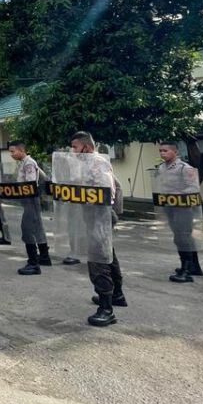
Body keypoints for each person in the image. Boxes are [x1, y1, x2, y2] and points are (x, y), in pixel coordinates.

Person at [69, 132, 125, 327]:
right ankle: (117, 294)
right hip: (92, 214)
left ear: (86, 147)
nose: (72, 151)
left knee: (97, 260)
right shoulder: (85, 164)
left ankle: (106, 309)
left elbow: (104, 192)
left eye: (75, 147)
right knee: (107, 254)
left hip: (100, 214)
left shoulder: (97, 162)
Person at [155, 142, 203, 283]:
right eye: (160, 151)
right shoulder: (161, 168)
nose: (162, 153)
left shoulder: (184, 168)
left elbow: (193, 188)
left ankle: (186, 269)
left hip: (183, 208)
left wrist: (178, 195)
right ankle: (193, 265)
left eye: (165, 150)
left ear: (175, 152)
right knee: (180, 237)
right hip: (169, 207)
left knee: (183, 237)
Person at [7, 141, 51, 275]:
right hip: (29, 200)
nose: (11, 155)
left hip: (31, 199)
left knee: (27, 229)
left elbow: (30, 184)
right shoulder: (24, 163)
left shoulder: (29, 163)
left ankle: (33, 263)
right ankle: (44, 256)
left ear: (21, 150)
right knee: (38, 228)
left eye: (13, 151)